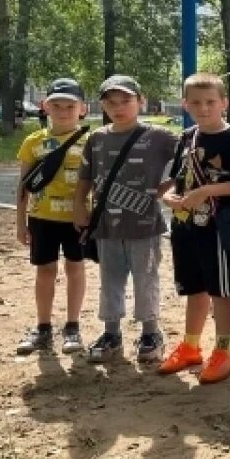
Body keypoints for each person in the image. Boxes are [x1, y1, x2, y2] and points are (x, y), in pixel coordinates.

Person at [158, 73, 230, 383]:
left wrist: (204, 193)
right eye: (196, 103)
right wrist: (168, 196)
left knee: (221, 289)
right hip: (185, 225)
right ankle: (190, 346)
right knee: (194, 287)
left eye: (211, 102)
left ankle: (224, 351)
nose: (204, 109)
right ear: (185, 105)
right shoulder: (187, 136)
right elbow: (177, 177)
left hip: (216, 227)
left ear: (224, 103)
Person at [73, 75, 179, 364]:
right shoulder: (97, 138)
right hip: (107, 225)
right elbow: (85, 176)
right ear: (102, 105)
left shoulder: (158, 137)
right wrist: (78, 206)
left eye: (126, 101)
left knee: (146, 278)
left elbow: (188, 157)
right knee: (110, 279)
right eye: (111, 102)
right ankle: (111, 333)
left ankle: (150, 333)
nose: (118, 108)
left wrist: (164, 188)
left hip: (145, 225)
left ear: (140, 101)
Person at [14, 78, 90, 355]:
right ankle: (43, 328)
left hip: (77, 219)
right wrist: (20, 222)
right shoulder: (34, 142)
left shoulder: (91, 141)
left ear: (82, 108)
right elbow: (23, 185)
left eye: (69, 105)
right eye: (56, 105)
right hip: (42, 218)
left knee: (75, 268)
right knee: (45, 271)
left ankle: (72, 327)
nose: (63, 111)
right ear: (45, 107)